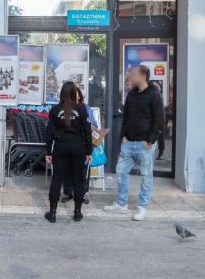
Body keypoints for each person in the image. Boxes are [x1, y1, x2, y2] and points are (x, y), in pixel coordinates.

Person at [104, 65, 164, 221]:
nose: (131, 76)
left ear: (143, 76)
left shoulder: (154, 95)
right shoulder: (131, 94)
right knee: (121, 171)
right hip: (128, 143)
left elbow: (159, 120)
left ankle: (142, 207)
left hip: (145, 144)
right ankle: (121, 204)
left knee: (146, 176)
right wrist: (123, 136)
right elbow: (126, 117)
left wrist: (150, 140)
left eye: (134, 74)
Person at [44, 82, 93, 223]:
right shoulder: (81, 108)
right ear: (74, 93)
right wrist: (89, 151)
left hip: (61, 147)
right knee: (78, 180)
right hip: (78, 147)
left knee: (57, 179)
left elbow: (49, 132)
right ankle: (77, 213)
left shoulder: (55, 109)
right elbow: (87, 131)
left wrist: (48, 152)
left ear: (61, 93)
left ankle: (52, 213)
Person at [61, 87, 98, 204]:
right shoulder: (63, 108)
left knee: (84, 169)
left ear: (79, 96)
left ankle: (83, 193)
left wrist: (86, 125)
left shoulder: (86, 108)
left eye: (76, 94)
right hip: (68, 143)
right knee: (67, 168)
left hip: (83, 143)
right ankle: (68, 192)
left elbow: (94, 126)